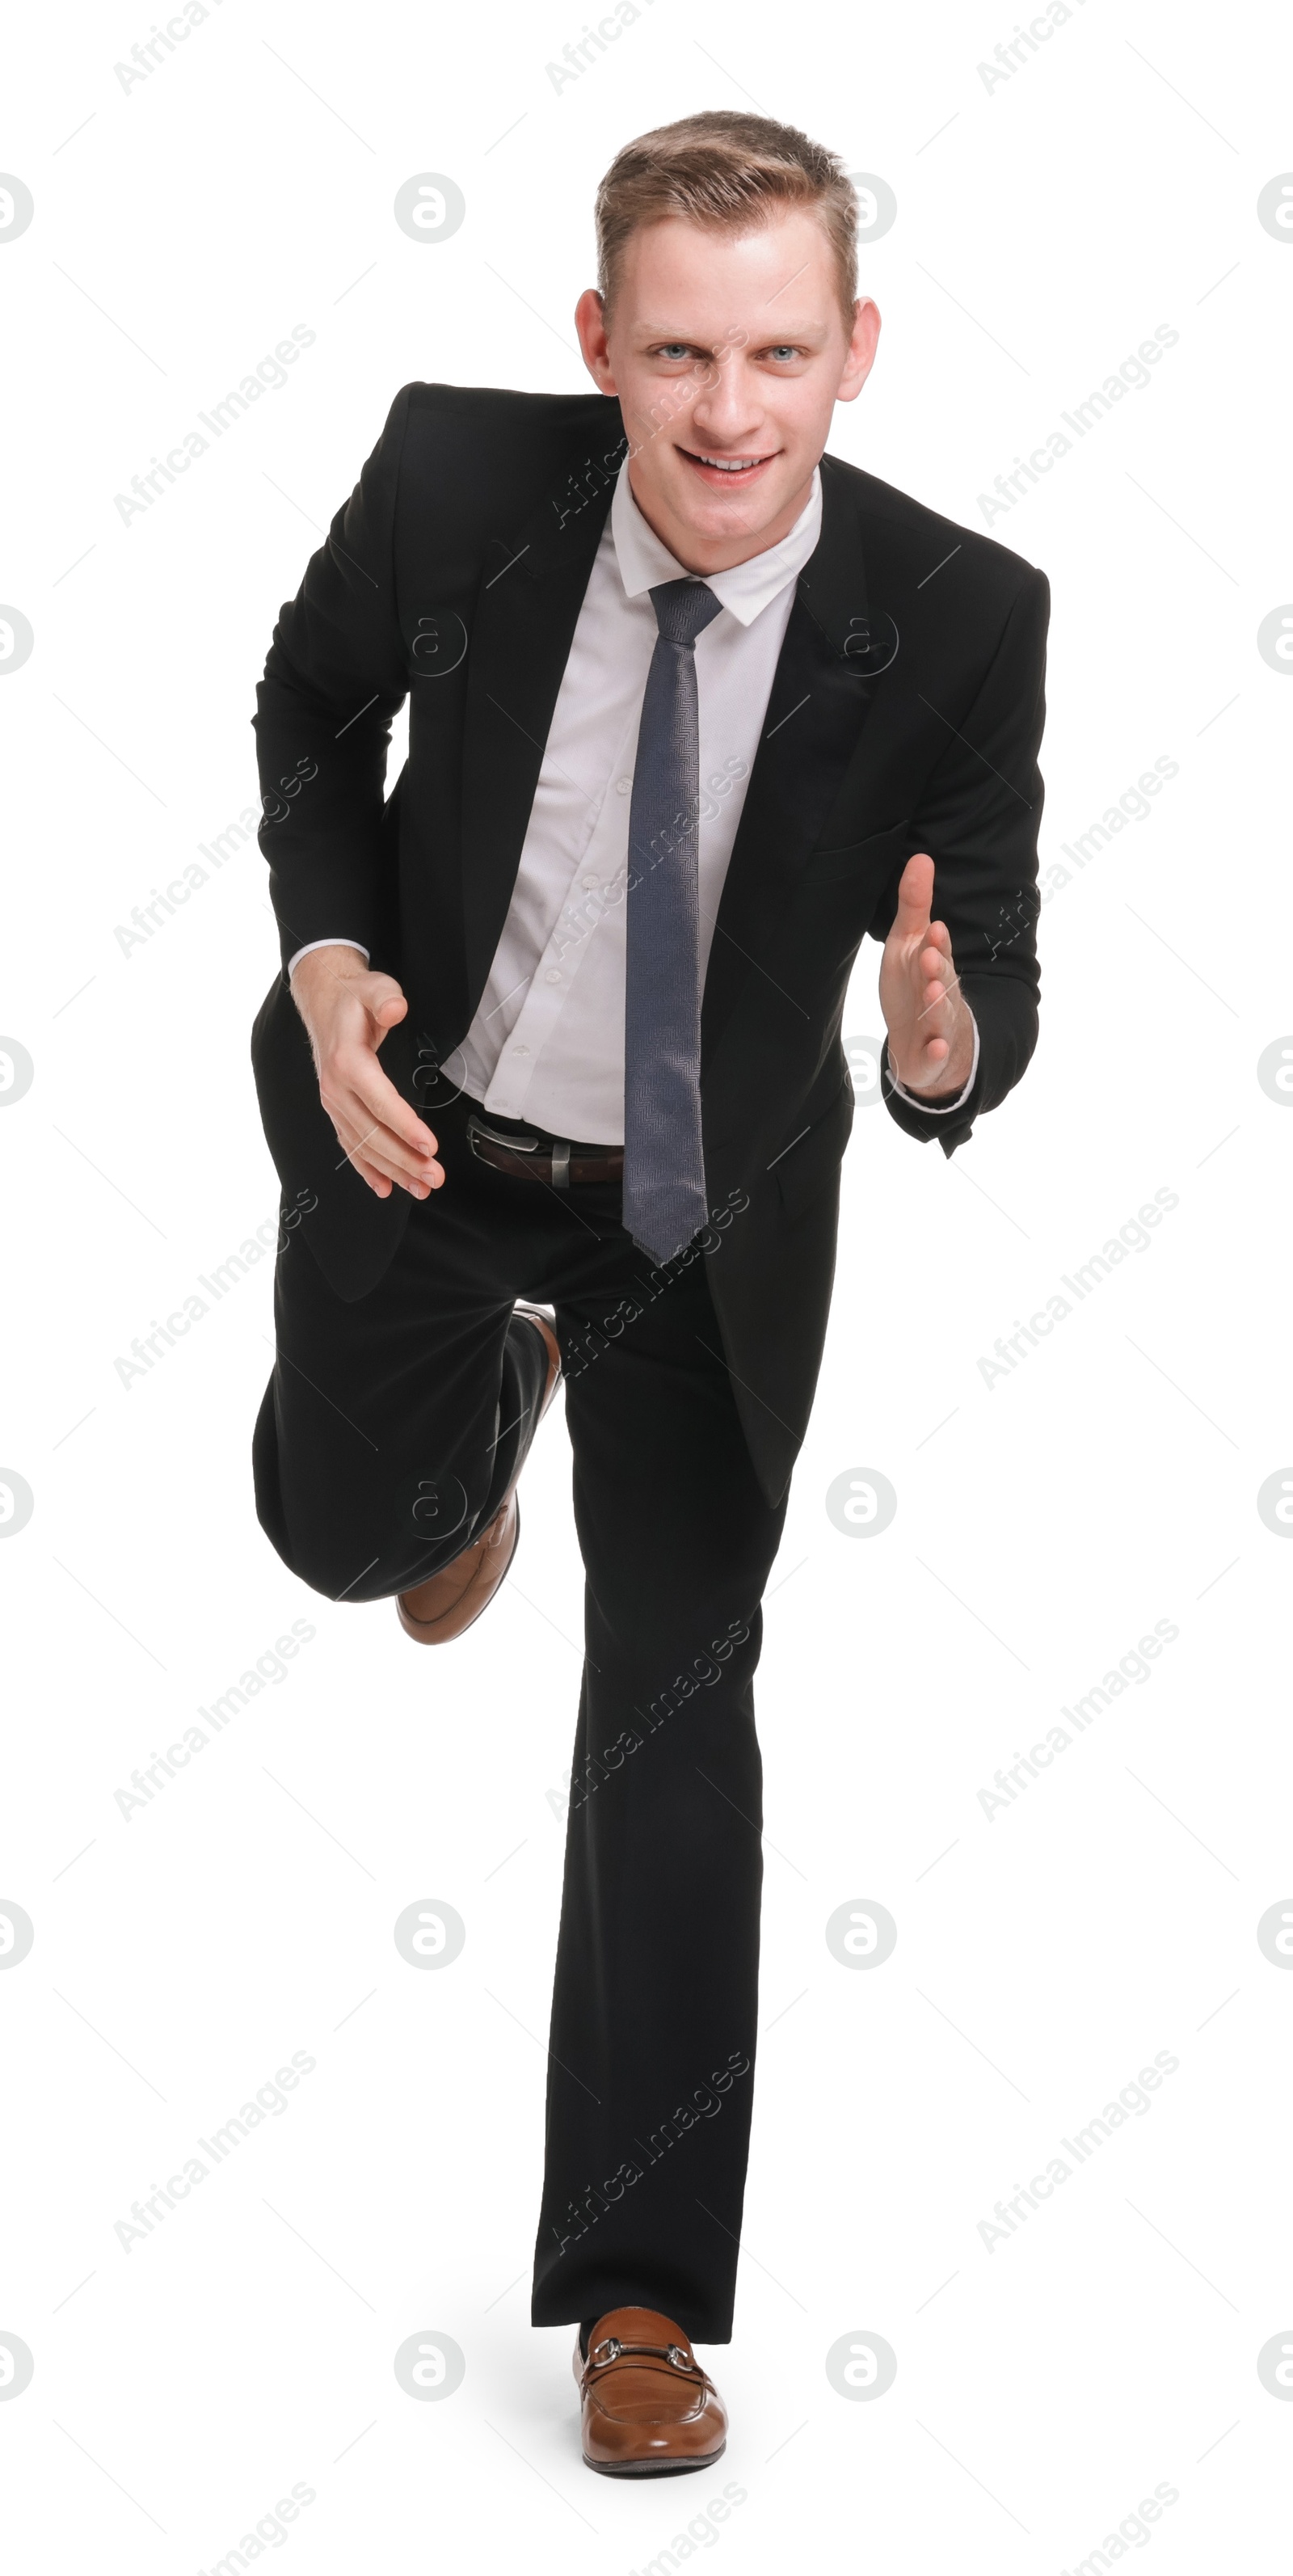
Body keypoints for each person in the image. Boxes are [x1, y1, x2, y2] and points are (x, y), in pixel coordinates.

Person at [250, 108, 1048, 2476]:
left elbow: (976, 957)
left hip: (704, 1203)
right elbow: (307, 708)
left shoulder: (967, 611)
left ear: (855, 350)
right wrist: (322, 963)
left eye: (780, 352)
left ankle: (634, 2293)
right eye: (680, 350)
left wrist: (940, 1046)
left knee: (678, 1705)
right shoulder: (453, 484)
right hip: (422, 1126)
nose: (728, 412)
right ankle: (461, 1450)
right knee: (336, 1536)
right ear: (601, 342)